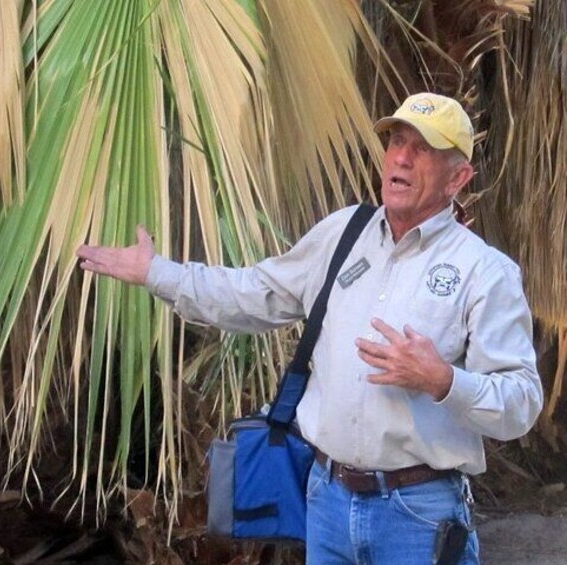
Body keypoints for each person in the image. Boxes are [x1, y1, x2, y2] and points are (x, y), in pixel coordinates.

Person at [76, 92, 543, 564]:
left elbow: (521, 402)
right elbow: (254, 293)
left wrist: (444, 381)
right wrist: (158, 273)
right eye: (396, 141)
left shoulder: (484, 271)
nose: (401, 157)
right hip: (327, 502)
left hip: (419, 516)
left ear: (458, 178)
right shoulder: (343, 233)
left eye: (422, 148)